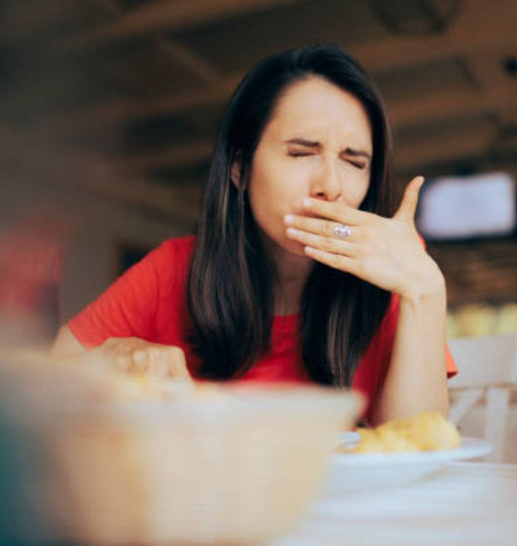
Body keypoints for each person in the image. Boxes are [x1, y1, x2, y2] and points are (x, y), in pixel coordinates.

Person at [50, 44, 456, 424]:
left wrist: (424, 291)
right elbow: (45, 382)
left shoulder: (397, 268)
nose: (330, 185)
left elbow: (417, 444)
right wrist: (114, 358)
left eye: (355, 162)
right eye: (301, 153)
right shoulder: (175, 269)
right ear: (240, 167)